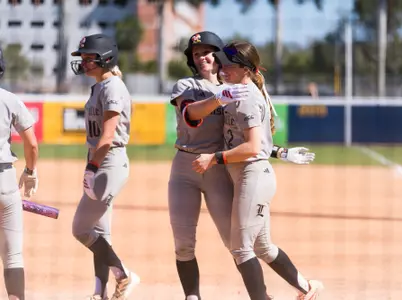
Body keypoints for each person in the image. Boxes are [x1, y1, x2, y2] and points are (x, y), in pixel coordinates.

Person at [169, 31, 315, 300]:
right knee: (183, 243)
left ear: (220, 55)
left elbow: (245, 140)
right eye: (196, 54)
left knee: (237, 243)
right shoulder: (187, 85)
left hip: (218, 168)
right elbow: (190, 113)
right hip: (186, 165)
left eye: (208, 52)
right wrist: (219, 97)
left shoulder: (240, 90)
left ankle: (286, 290)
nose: (202, 58)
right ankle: (192, 297)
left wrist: (281, 152)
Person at [70, 33, 139, 300]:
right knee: (100, 234)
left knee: (81, 229)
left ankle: (124, 275)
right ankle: (100, 292)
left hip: (109, 162)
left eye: (90, 58)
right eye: (83, 58)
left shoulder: (113, 87)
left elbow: (107, 137)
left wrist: (91, 168)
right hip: (101, 161)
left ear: (106, 58)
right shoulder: (100, 86)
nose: (85, 63)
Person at [0, 46, 39, 300]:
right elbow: (32, 144)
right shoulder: (9, 99)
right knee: (13, 255)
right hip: (4, 181)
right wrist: (30, 171)